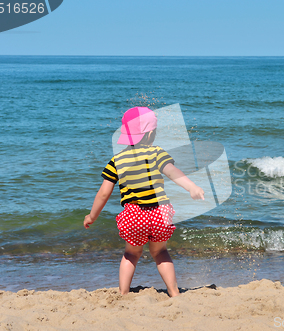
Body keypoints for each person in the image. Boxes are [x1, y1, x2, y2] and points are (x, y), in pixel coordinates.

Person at [84, 106, 204, 296]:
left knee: (131, 254)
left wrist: (92, 216)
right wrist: (192, 187)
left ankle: (123, 293)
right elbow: (173, 173)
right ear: (149, 134)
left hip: (134, 215)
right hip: (160, 214)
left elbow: (103, 194)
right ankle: (173, 292)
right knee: (160, 253)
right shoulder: (156, 153)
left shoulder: (117, 160)